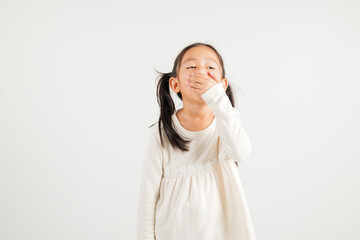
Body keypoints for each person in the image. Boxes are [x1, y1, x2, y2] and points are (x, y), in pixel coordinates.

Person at [137, 42, 256, 240]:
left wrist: (218, 99)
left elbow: (241, 152)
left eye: (210, 68)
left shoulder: (226, 123)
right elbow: (148, 196)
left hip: (221, 231)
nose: (201, 72)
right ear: (176, 84)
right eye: (191, 67)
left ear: (222, 86)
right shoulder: (162, 133)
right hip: (174, 232)